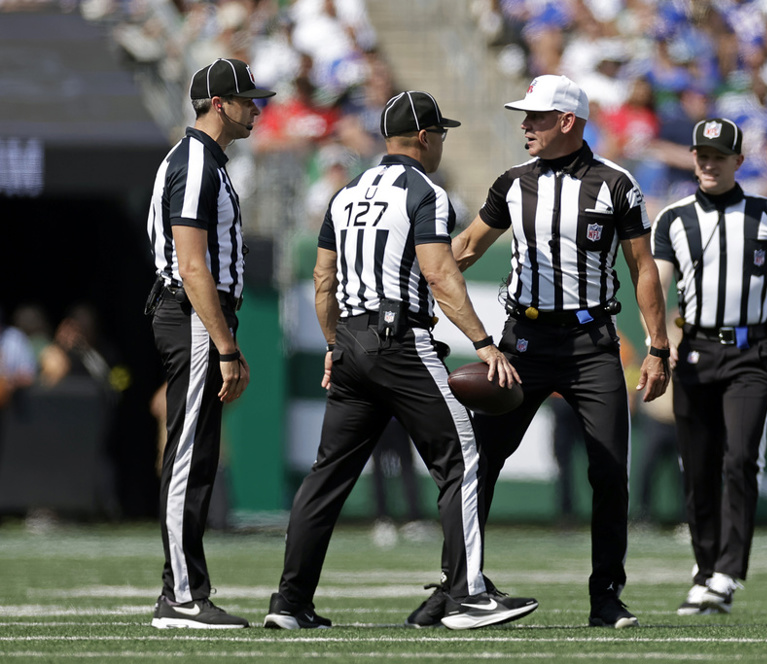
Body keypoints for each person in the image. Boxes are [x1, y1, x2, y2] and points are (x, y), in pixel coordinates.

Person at [263, 91, 538, 631]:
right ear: (427, 137)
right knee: (462, 458)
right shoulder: (425, 192)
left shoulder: (345, 194)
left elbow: (324, 281)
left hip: (351, 342)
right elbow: (439, 274)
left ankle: (290, 603)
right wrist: (483, 343)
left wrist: (332, 344)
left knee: (326, 478)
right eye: (442, 135)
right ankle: (468, 596)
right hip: (399, 342)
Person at [409, 75, 671, 630]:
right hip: (522, 344)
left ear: (568, 122)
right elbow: (467, 246)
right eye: (524, 116)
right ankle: (457, 586)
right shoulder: (512, 183)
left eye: (537, 117)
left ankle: (606, 597)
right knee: (477, 464)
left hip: (591, 342)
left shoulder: (617, 184)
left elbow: (642, 267)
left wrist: (657, 345)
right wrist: (421, 288)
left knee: (608, 471)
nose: (525, 125)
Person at [651, 118, 767, 616]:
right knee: (698, 465)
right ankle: (705, 567)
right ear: (692, 159)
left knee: (739, 459)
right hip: (694, 350)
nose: (708, 163)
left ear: (738, 161)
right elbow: (657, 288)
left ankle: (728, 571)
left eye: (718, 155)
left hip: (751, 352)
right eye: (701, 155)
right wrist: (656, 345)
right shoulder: (673, 219)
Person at [145, 58, 275, 629]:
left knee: (197, 455)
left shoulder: (204, 160)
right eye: (247, 100)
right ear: (219, 104)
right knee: (188, 456)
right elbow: (193, 265)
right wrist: (224, 344)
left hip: (202, 315)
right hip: (194, 312)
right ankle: (179, 595)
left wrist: (227, 340)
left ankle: (186, 589)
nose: (257, 108)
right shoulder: (196, 162)